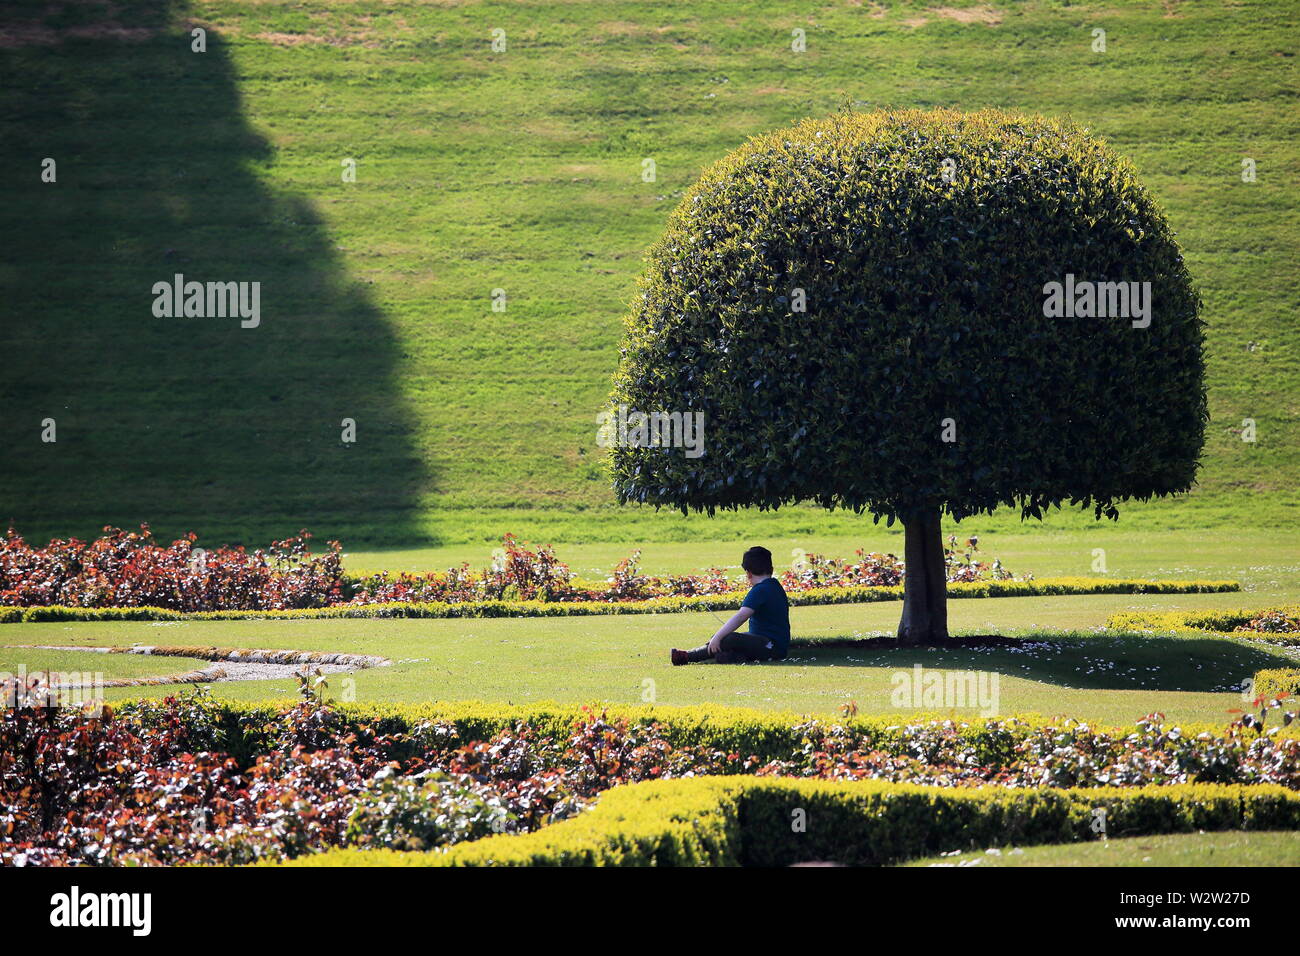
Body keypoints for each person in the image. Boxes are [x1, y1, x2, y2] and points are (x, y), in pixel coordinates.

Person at [671, 546, 790, 665]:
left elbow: (741, 616)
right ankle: (733, 657)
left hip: (771, 647)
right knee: (725, 639)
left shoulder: (760, 590)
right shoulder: (774, 585)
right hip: (773, 645)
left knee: (726, 639)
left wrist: (717, 637)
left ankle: (688, 656)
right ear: (772, 569)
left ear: (748, 573)